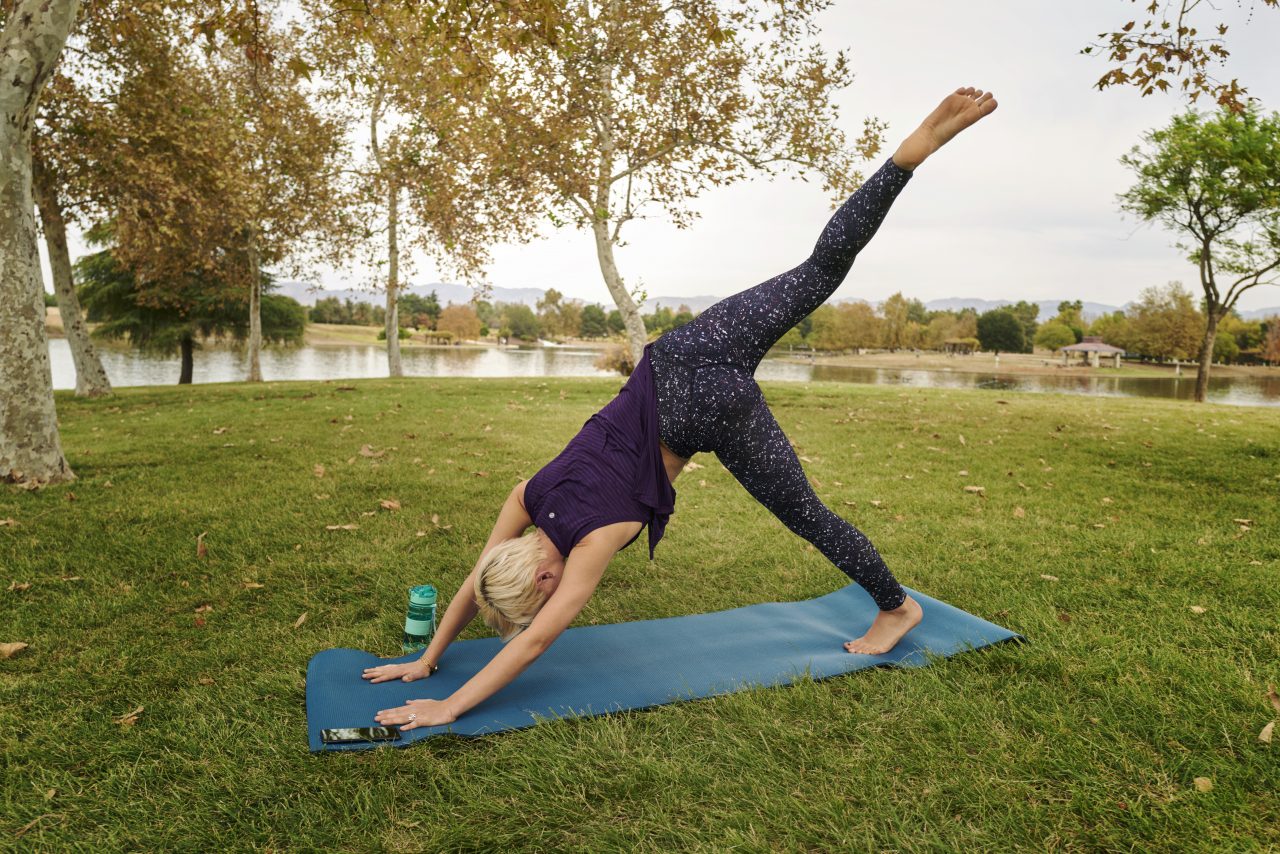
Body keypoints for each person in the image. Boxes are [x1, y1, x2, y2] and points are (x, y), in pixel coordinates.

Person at [364, 86, 999, 731]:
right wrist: (428, 657)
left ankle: (896, 607)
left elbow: (533, 642)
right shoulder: (526, 496)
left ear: (544, 583)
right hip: (679, 356)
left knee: (807, 513)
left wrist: (447, 702)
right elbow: (480, 579)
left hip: (707, 412)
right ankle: (906, 157)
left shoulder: (593, 542)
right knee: (818, 271)